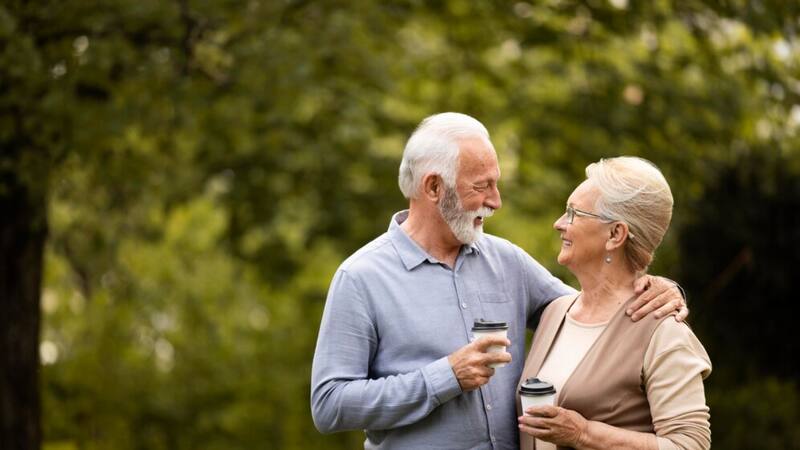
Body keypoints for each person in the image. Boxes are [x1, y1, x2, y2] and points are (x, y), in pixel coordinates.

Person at [311, 113, 687, 450]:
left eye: (496, 184)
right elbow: (329, 405)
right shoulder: (361, 278)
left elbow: (595, 317)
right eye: (482, 186)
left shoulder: (508, 262)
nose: (496, 201)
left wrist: (658, 288)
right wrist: (445, 377)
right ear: (433, 189)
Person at [517, 157, 711, 450]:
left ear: (615, 234)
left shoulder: (664, 332)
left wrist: (584, 434)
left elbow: (690, 445)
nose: (559, 223)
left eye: (574, 213)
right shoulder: (555, 312)